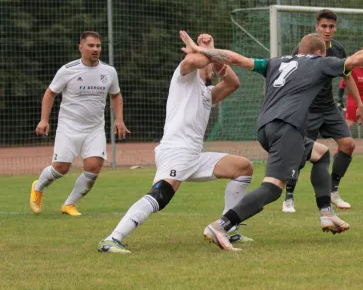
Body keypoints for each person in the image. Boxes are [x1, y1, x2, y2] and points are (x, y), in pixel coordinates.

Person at [193, 24, 363, 251]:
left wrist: (206, 51)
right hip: (287, 128)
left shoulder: (275, 62)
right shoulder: (319, 62)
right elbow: (356, 60)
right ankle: (221, 225)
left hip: (265, 128)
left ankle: (326, 213)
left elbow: (236, 59)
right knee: (273, 188)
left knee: (320, 153)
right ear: (319, 53)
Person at [98, 34, 254, 253]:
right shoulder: (184, 78)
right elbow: (192, 62)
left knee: (243, 167)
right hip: (176, 151)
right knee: (160, 195)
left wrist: (212, 51)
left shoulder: (207, 94)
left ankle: (227, 228)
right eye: (205, 60)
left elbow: (233, 83)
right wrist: (200, 51)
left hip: (194, 155)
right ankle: (111, 239)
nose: (207, 66)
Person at [30, 31, 129, 216]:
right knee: (61, 168)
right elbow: (50, 93)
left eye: (98, 46)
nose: (95, 49)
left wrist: (119, 119)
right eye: (91, 46)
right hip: (69, 127)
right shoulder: (68, 70)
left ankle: (69, 204)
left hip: (95, 128)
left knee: (93, 167)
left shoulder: (109, 71)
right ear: (81, 47)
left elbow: (116, 95)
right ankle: (38, 187)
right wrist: (44, 119)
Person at [283, 9, 363, 213]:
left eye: (331, 27)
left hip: (328, 108)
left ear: (335, 28)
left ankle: (333, 191)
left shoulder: (338, 49)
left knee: (348, 145)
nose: (327, 30)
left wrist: (359, 103)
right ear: (316, 27)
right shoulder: (302, 49)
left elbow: (347, 76)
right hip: (307, 109)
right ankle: (288, 197)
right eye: (323, 26)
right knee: (299, 153)